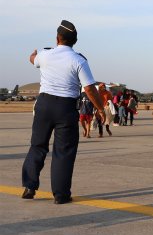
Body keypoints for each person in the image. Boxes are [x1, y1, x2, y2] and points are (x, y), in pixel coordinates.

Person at [21, 20, 105, 204]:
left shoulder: (45, 55)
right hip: (65, 108)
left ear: (57, 38)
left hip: (44, 105)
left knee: (38, 145)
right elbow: (90, 88)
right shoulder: (79, 60)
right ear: (75, 41)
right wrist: (100, 108)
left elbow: (32, 59)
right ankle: (60, 195)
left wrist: (34, 54)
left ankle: (29, 186)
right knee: (63, 151)